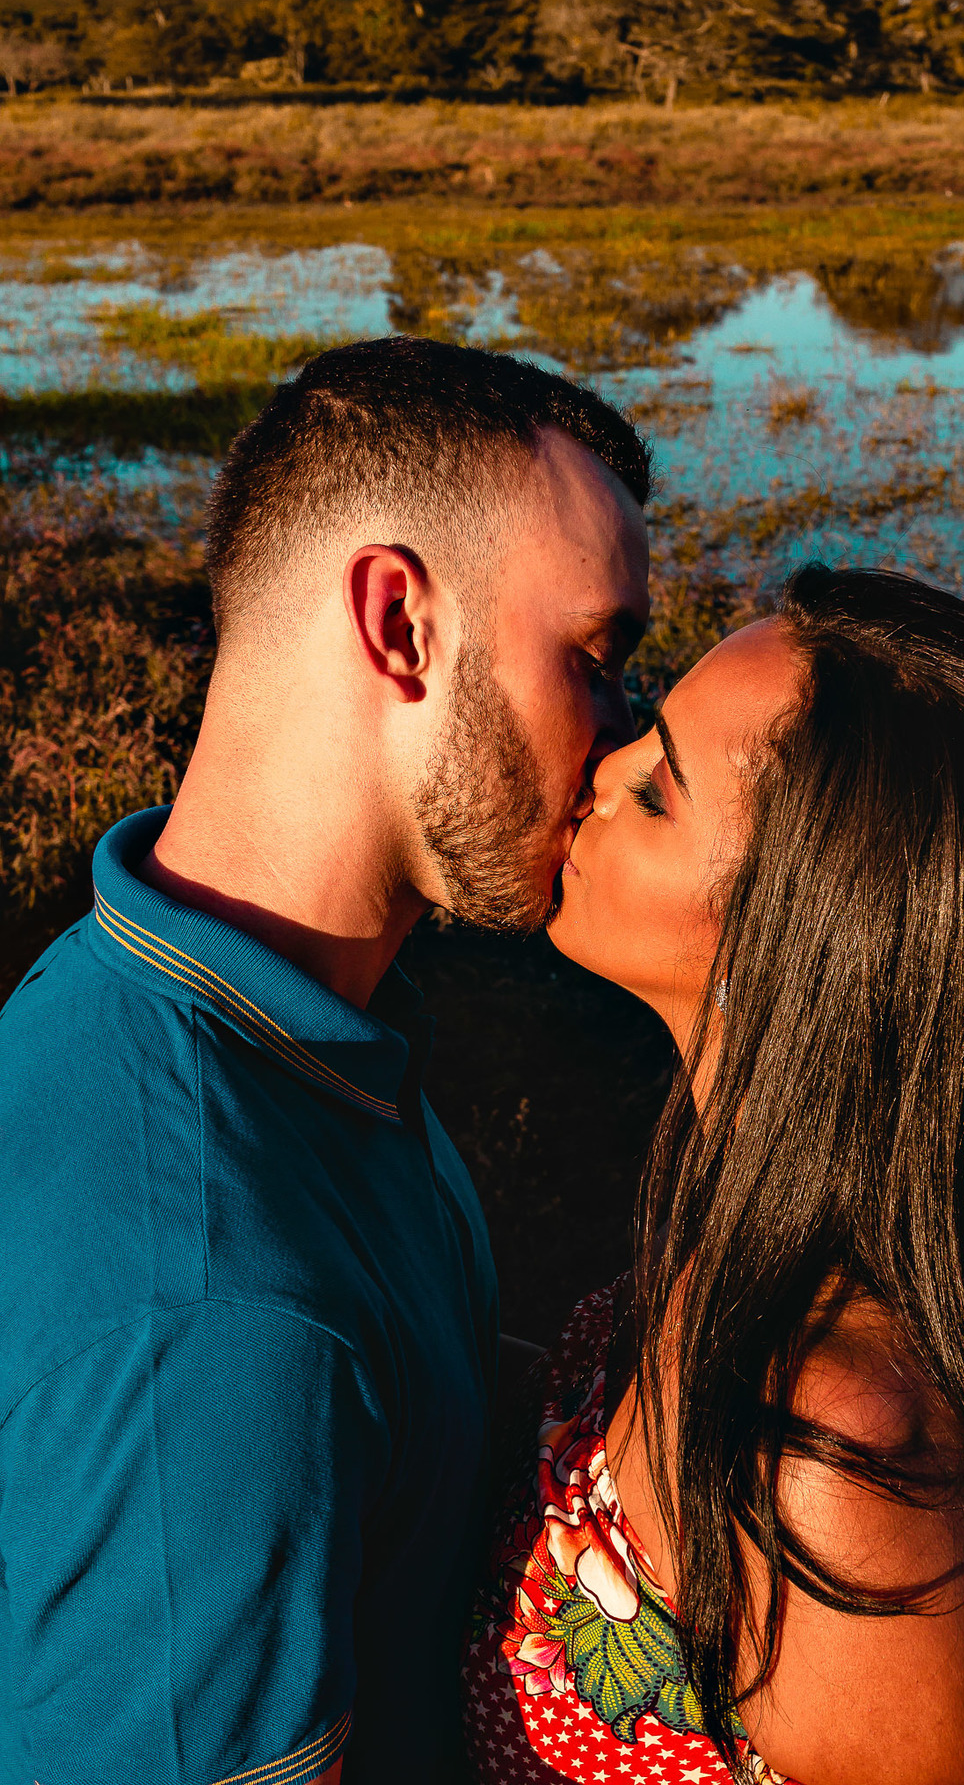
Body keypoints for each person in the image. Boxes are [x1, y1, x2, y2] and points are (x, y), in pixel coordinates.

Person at [0, 338, 651, 1784]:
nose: (622, 740)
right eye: (596, 660)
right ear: (402, 624)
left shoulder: (209, 1014)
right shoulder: (219, 1306)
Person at [464, 567, 964, 1785]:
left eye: (662, 788)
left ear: (797, 937)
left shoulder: (833, 1450)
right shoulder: (756, 1224)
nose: (600, 773)